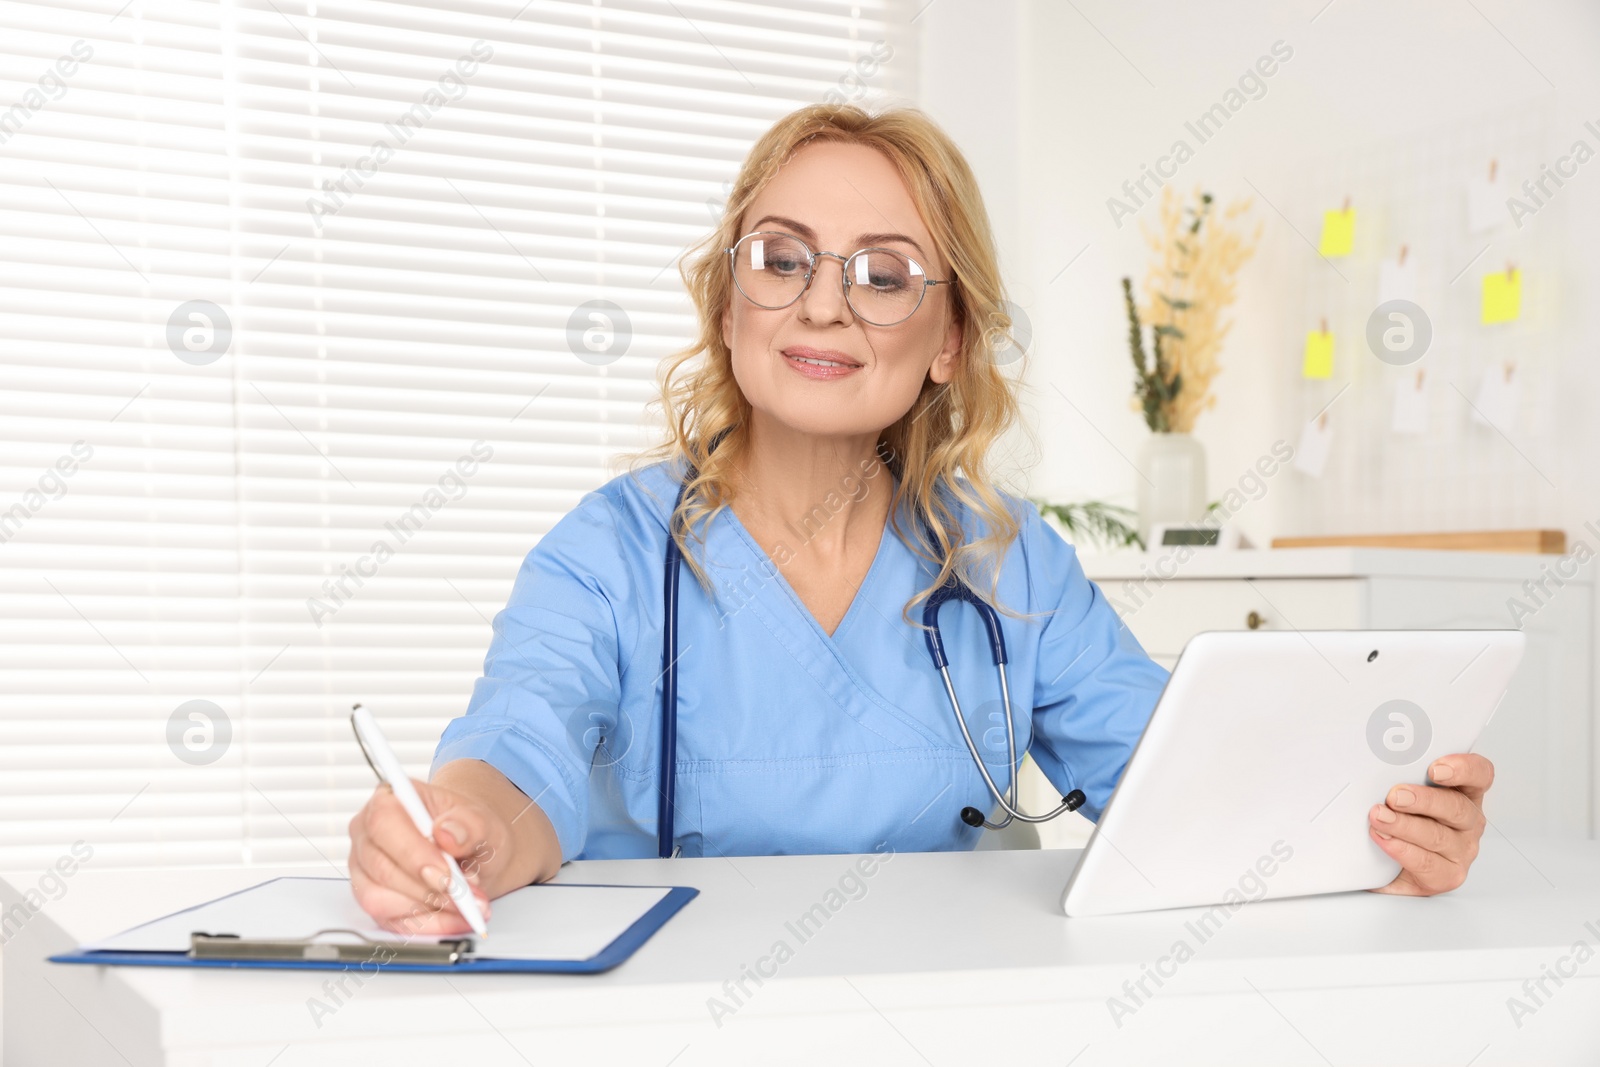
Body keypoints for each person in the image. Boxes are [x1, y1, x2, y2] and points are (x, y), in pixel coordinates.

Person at [347, 104, 1495, 935]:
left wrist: (1375, 831)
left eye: (885, 273)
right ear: (728, 302)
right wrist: (465, 829)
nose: (823, 301)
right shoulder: (609, 550)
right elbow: (521, 745)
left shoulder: (1002, 559)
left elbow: (1179, 777)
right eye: (781, 258)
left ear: (948, 341)